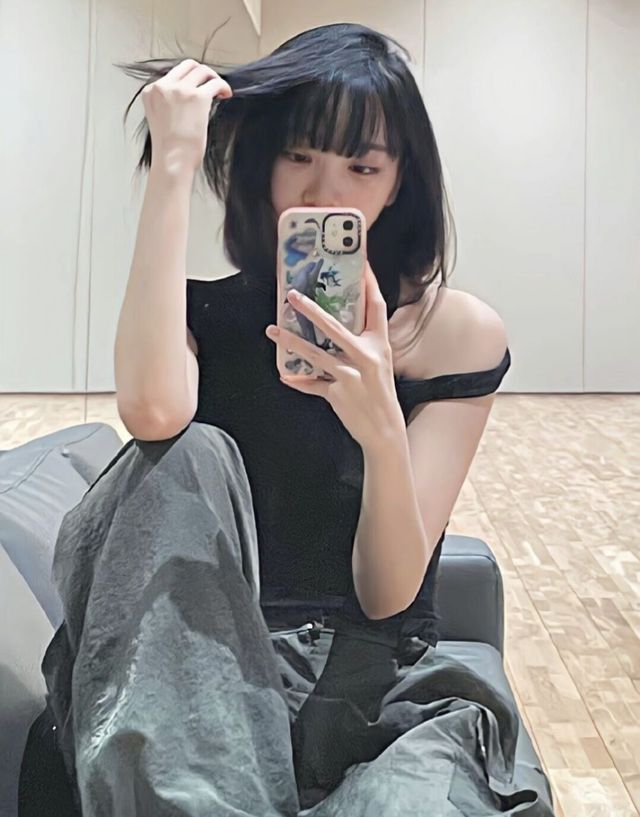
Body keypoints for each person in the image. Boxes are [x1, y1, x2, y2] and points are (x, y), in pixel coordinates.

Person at [18, 21, 555, 817]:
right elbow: (153, 413)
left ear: (398, 182)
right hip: (194, 676)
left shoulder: (451, 332)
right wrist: (172, 163)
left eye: (361, 166)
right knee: (184, 451)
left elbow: (387, 593)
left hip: (375, 698)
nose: (322, 191)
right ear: (263, 160)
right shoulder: (199, 317)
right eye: (299, 155)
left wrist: (380, 426)